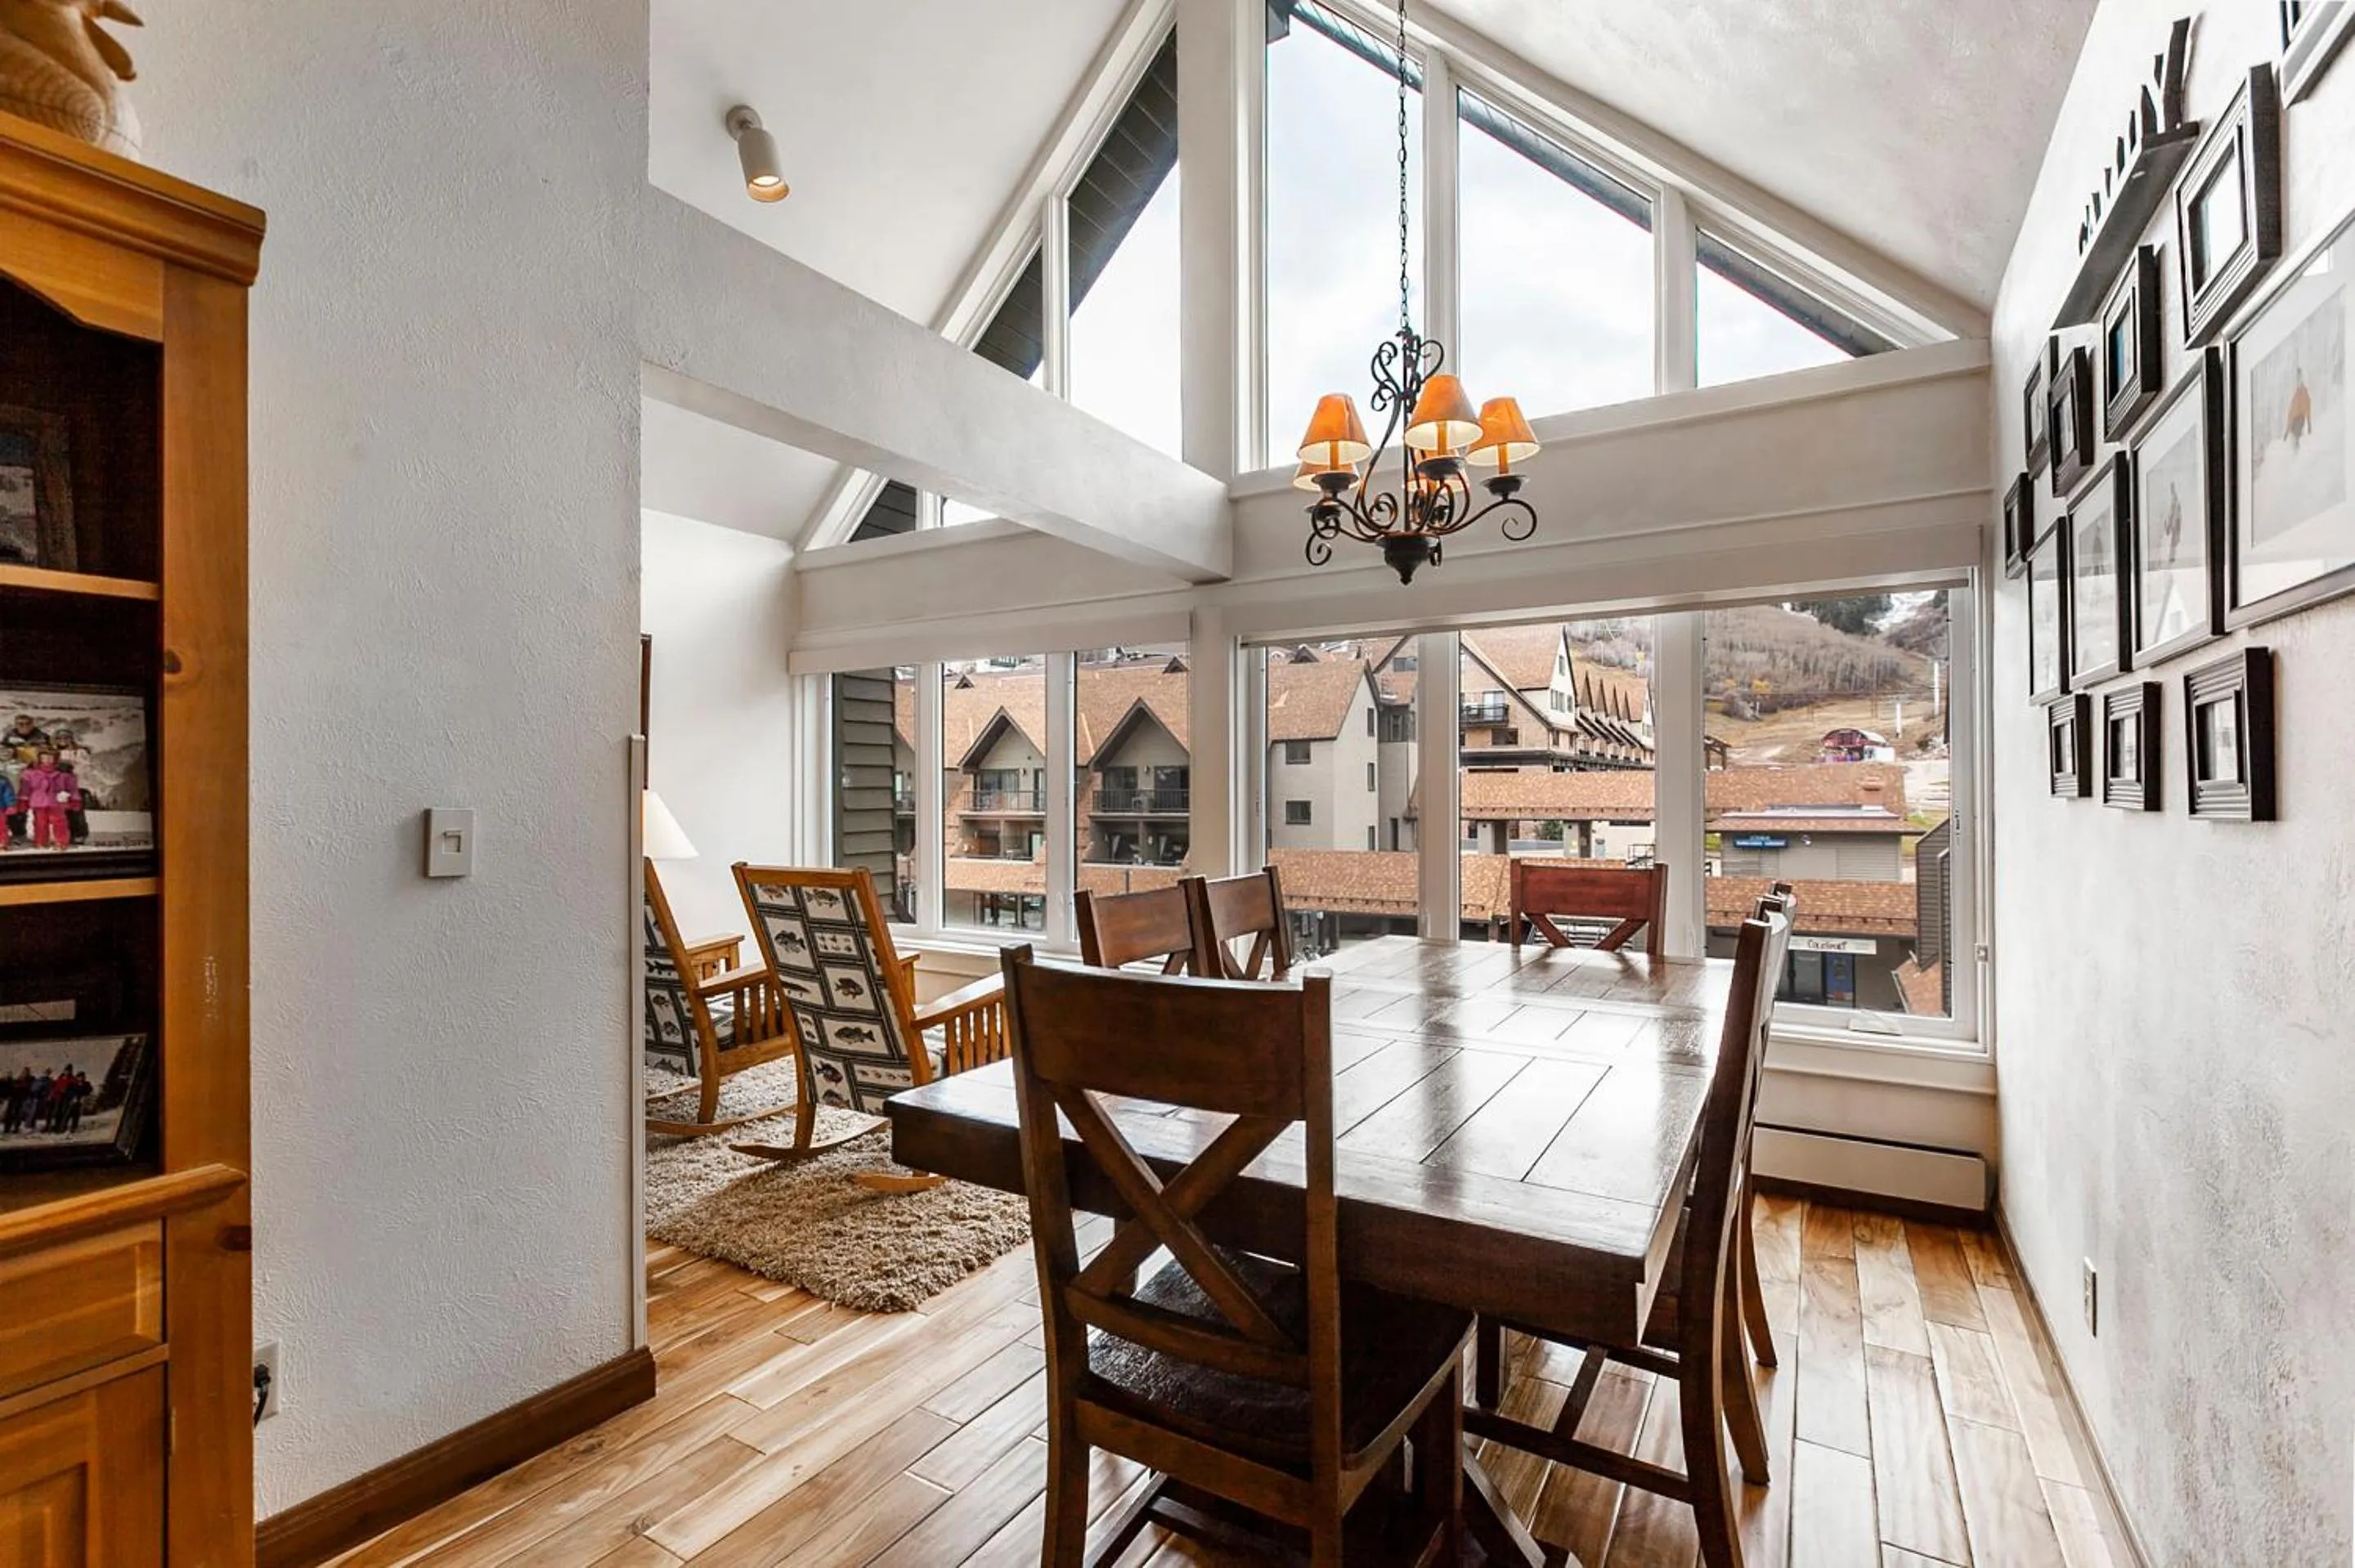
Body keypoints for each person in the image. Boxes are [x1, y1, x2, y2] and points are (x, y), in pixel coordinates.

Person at [18, 749, 73, 851]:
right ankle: (41, 842)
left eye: (50, 758)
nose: (47, 760)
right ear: (40, 759)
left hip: (56, 802)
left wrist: (69, 797)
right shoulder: (31, 773)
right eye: (44, 758)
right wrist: (24, 801)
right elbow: (26, 789)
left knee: (59, 822)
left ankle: (61, 842)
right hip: (39, 801)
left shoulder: (62, 773)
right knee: (40, 823)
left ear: (55, 759)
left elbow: (69, 787)